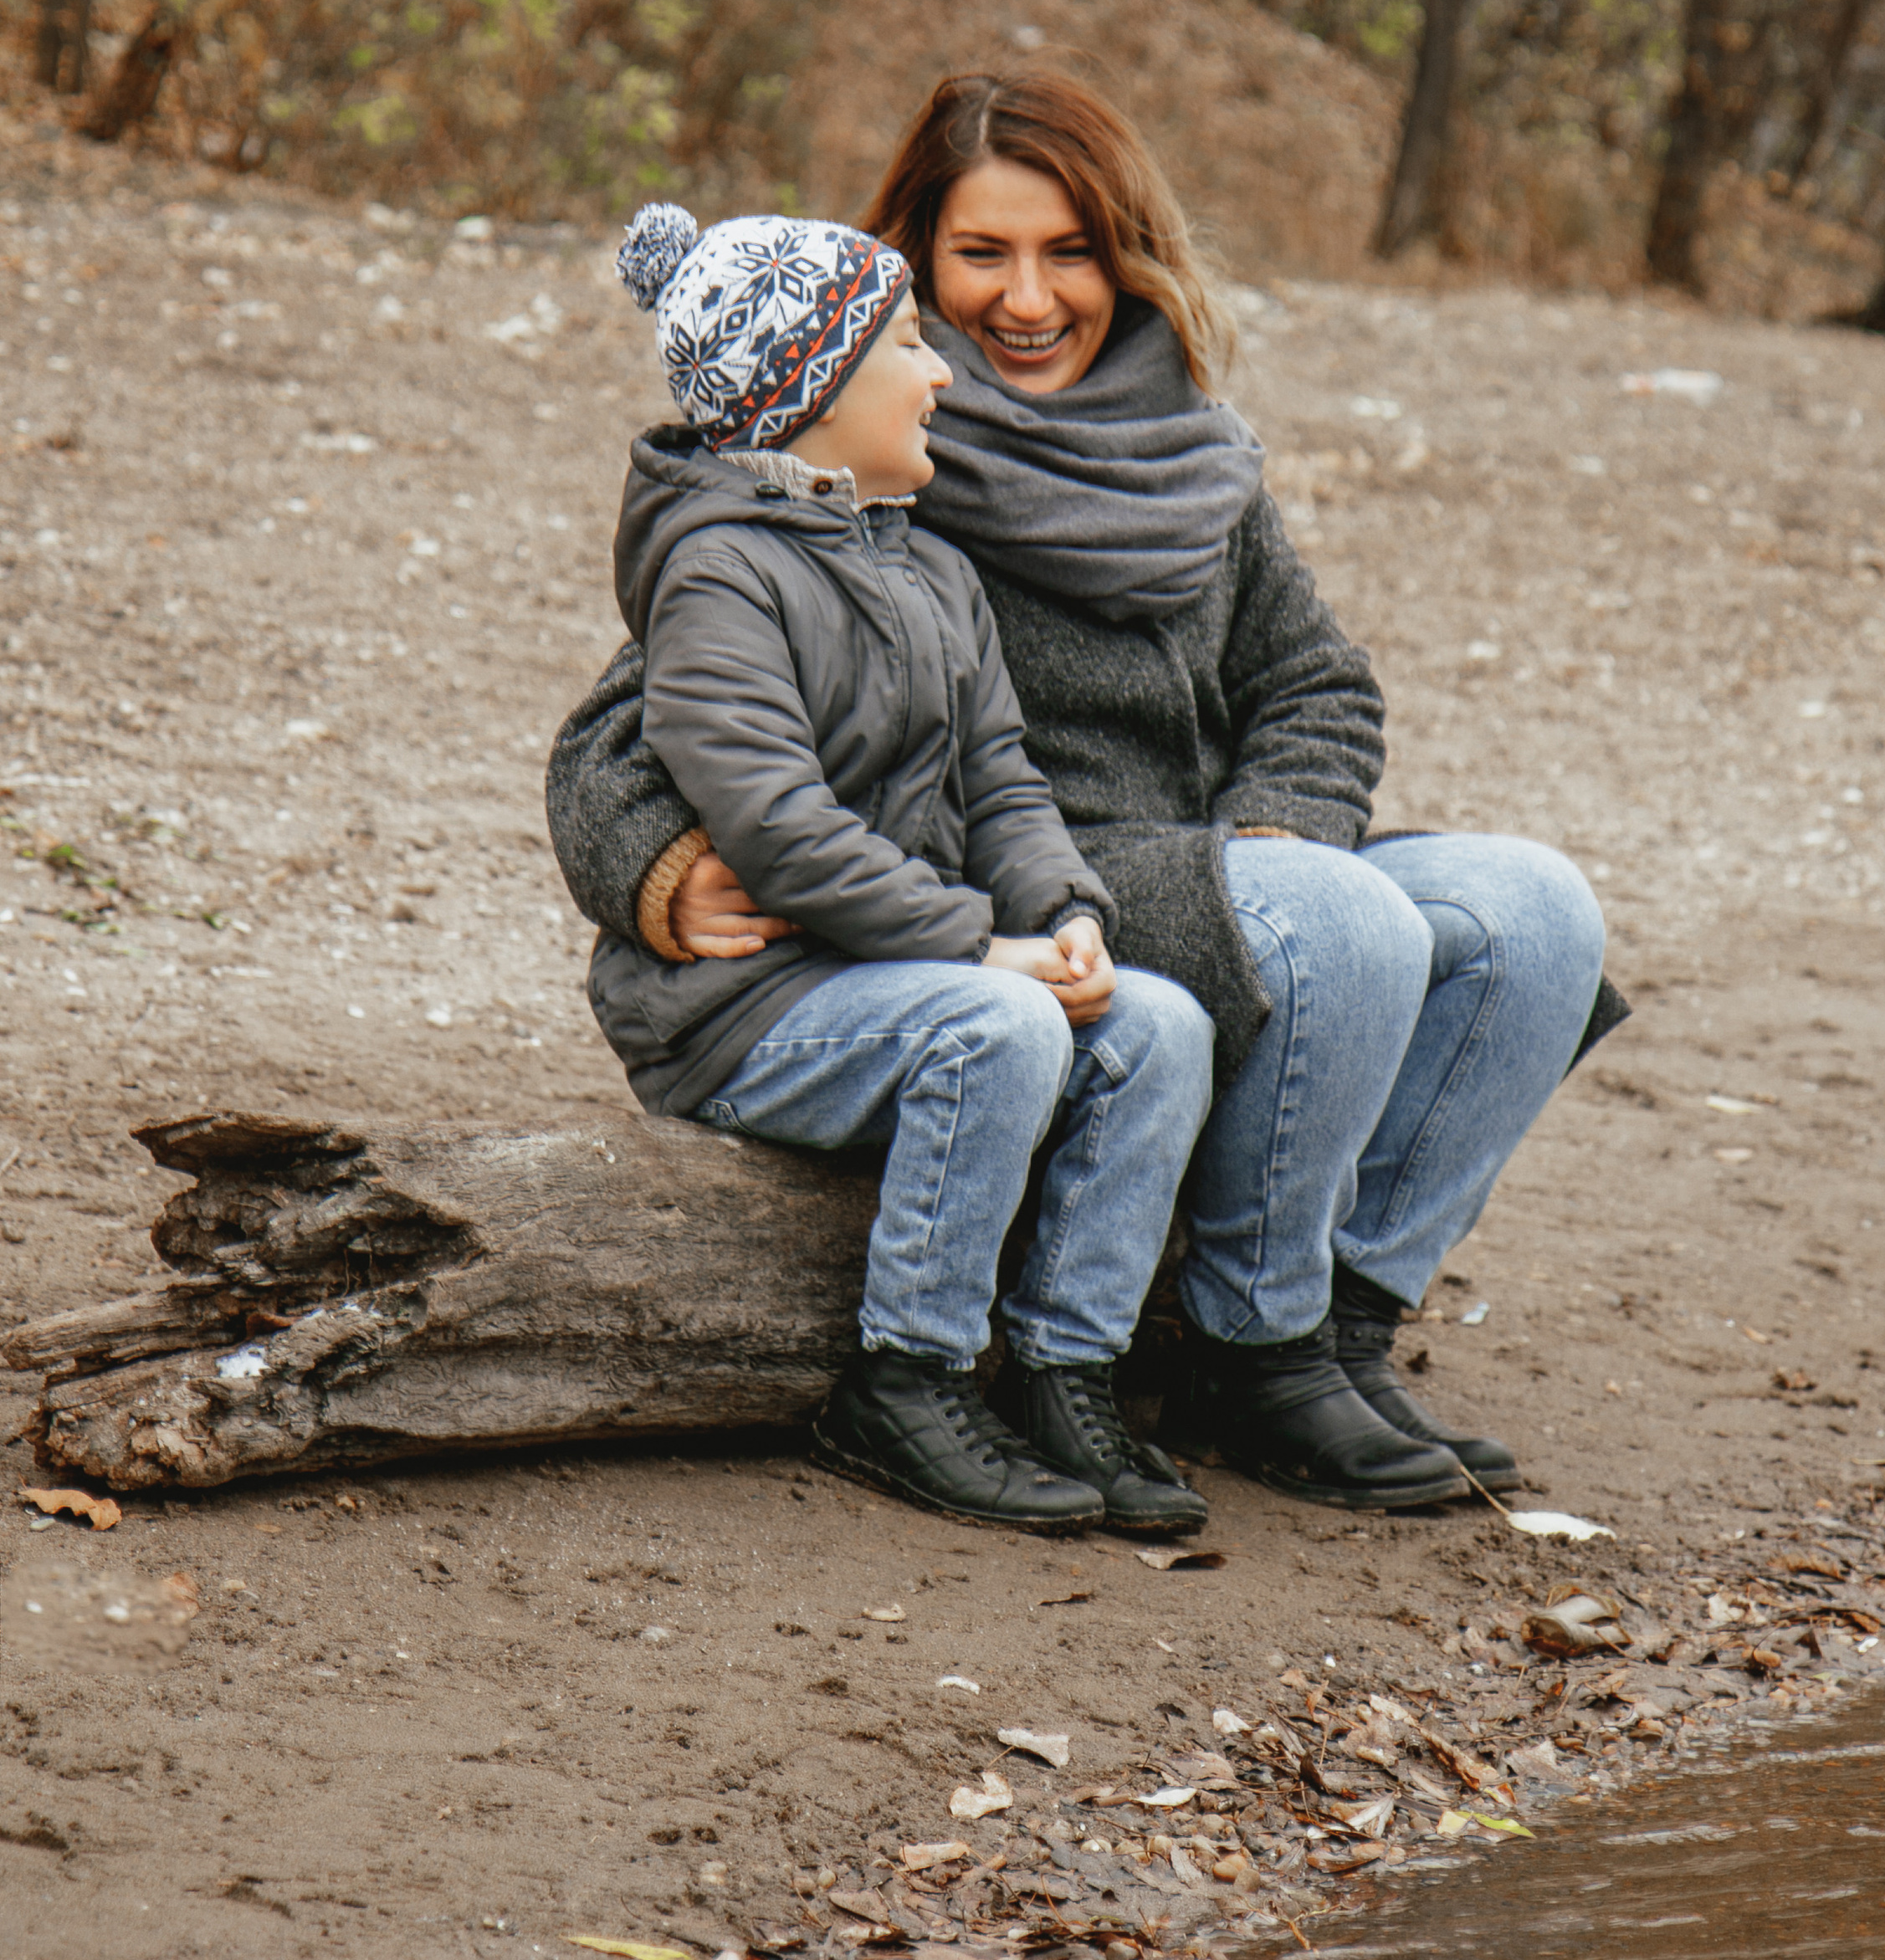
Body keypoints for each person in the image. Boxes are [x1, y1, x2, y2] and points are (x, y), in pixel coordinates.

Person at [550, 75, 1625, 1517]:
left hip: (1188, 861)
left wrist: (1278, 833)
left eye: (1068, 252)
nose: (1028, 299)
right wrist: (661, 870)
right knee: (1344, 923)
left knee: (1534, 910)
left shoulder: (1188, 451)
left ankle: (1352, 1329)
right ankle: (1260, 1345)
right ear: (918, 263)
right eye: (981, 257)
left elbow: (1321, 687)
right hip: (1004, 888)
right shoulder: (858, 456)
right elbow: (627, 731)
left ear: (1129, 254)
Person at [582, 197, 1215, 1538]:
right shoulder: (722, 576)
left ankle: (1063, 1367)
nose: (942, 376)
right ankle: (909, 1377)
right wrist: (981, 949)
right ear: (806, 394)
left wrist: (1065, 914)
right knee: (996, 1025)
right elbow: (778, 827)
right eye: (911, 346)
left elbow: (1004, 780)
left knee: (1160, 1024)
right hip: (747, 1016)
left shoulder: (930, 567)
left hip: (898, 979)